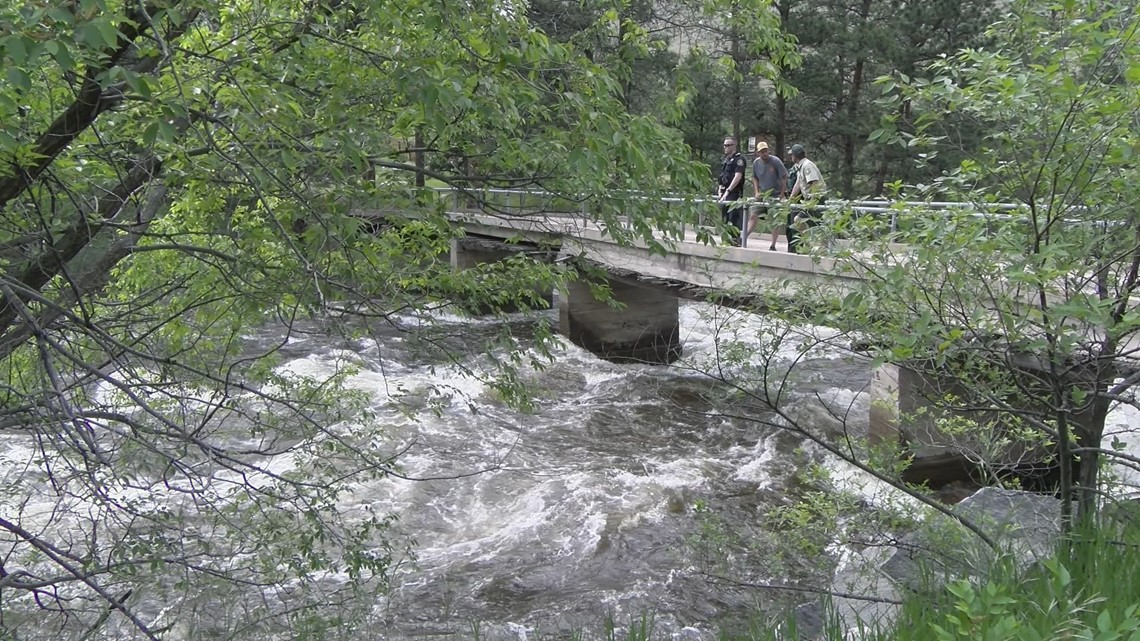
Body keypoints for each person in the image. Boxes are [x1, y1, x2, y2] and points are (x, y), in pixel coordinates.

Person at [747, 141, 788, 250]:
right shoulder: (756, 163)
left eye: (766, 151)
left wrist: (782, 194)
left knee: (774, 220)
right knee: (753, 215)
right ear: (758, 153)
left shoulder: (775, 161)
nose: (764, 153)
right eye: (762, 152)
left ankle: (773, 245)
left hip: (774, 194)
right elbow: (754, 177)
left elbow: (784, 177)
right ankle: (743, 237)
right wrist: (756, 191)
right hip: (762, 194)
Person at [786, 143, 827, 253]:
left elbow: (814, 183)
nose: (791, 157)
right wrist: (790, 200)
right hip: (809, 199)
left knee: (801, 220)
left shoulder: (807, 165)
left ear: (795, 155)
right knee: (815, 224)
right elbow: (798, 184)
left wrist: (812, 201)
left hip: (816, 198)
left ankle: (812, 245)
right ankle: (815, 246)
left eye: (792, 155)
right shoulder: (800, 167)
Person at [716, 137, 747, 245]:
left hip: (734, 193)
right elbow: (722, 177)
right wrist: (720, 190)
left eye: (728, 145)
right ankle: (726, 240)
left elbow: (738, 177)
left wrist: (728, 191)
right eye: (724, 145)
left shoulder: (739, 160)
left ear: (734, 146)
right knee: (725, 219)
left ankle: (735, 240)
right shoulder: (726, 160)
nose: (725, 147)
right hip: (724, 194)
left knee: (733, 218)